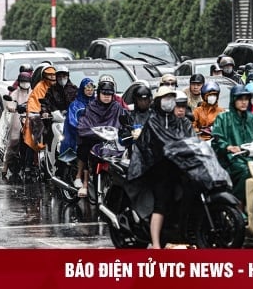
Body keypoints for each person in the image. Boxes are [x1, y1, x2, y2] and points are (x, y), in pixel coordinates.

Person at [127, 86, 195, 249]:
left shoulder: (180, 122)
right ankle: (156, 243)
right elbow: (145, 148)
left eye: (172, 99)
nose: (169, 102)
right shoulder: (152, 122)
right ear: (158, 102)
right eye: (166, 99)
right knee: (161, 203)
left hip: (177, 168)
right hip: (156, 169)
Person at [212, 85, 253, 204]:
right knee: (247, 171)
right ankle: (236, 203)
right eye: (240, 99)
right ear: (233, 100)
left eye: (246, 99)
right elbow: (217, 139)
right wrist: (228, 147)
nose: (244, 102)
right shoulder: (223, 118)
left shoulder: (252, 118)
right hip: (231, 160)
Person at [76, 76, 127, 198]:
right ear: (98, 93)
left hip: (112, 140)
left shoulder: (117, 107)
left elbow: (124, 122)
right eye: (104, 93)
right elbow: (84, 123)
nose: (106, 96)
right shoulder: (91, 107)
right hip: (93, 139)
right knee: (85, 147)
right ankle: (84, 184)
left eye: (109, 94)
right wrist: (92, 132)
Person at [1, 71, 32, 179]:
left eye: (27, 82)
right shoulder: (15, 93)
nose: (25, 84)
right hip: (17, 121)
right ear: (19, 83)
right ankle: (5, 165)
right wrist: (12, 107)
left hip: (30, 121)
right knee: (13, 142)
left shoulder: (32, 93)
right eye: (23, 82)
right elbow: (9, 104)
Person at [41, 65, 78, 148]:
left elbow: (79, 104)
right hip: (56, 120)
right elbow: (45, 102)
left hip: (72, 120)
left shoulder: (75, 90)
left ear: (68, 77)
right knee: (48, 133)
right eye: (59, 76)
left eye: (64, 76)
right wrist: (45, 112)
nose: (62, 78)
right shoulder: (51, 90)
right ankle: (47, 152)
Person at [60, 77, 95, 161]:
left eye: (92, 89)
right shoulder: (75, 105)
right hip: (77, 135)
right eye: (87, 89)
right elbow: (72, 121)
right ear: (82, 90)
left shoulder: (96, 103)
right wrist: (82, 129)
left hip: (94, 134)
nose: (90, 91)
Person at [24, 65, 56, 156]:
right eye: (49, 75)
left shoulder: (59, 87)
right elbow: (34, 103)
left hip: (55, 116)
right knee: (34, 136)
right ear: (44, 76)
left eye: (54, 75)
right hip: (40, 117)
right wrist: (40, 113)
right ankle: (28, 165)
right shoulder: (39, 87)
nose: (52, 77)